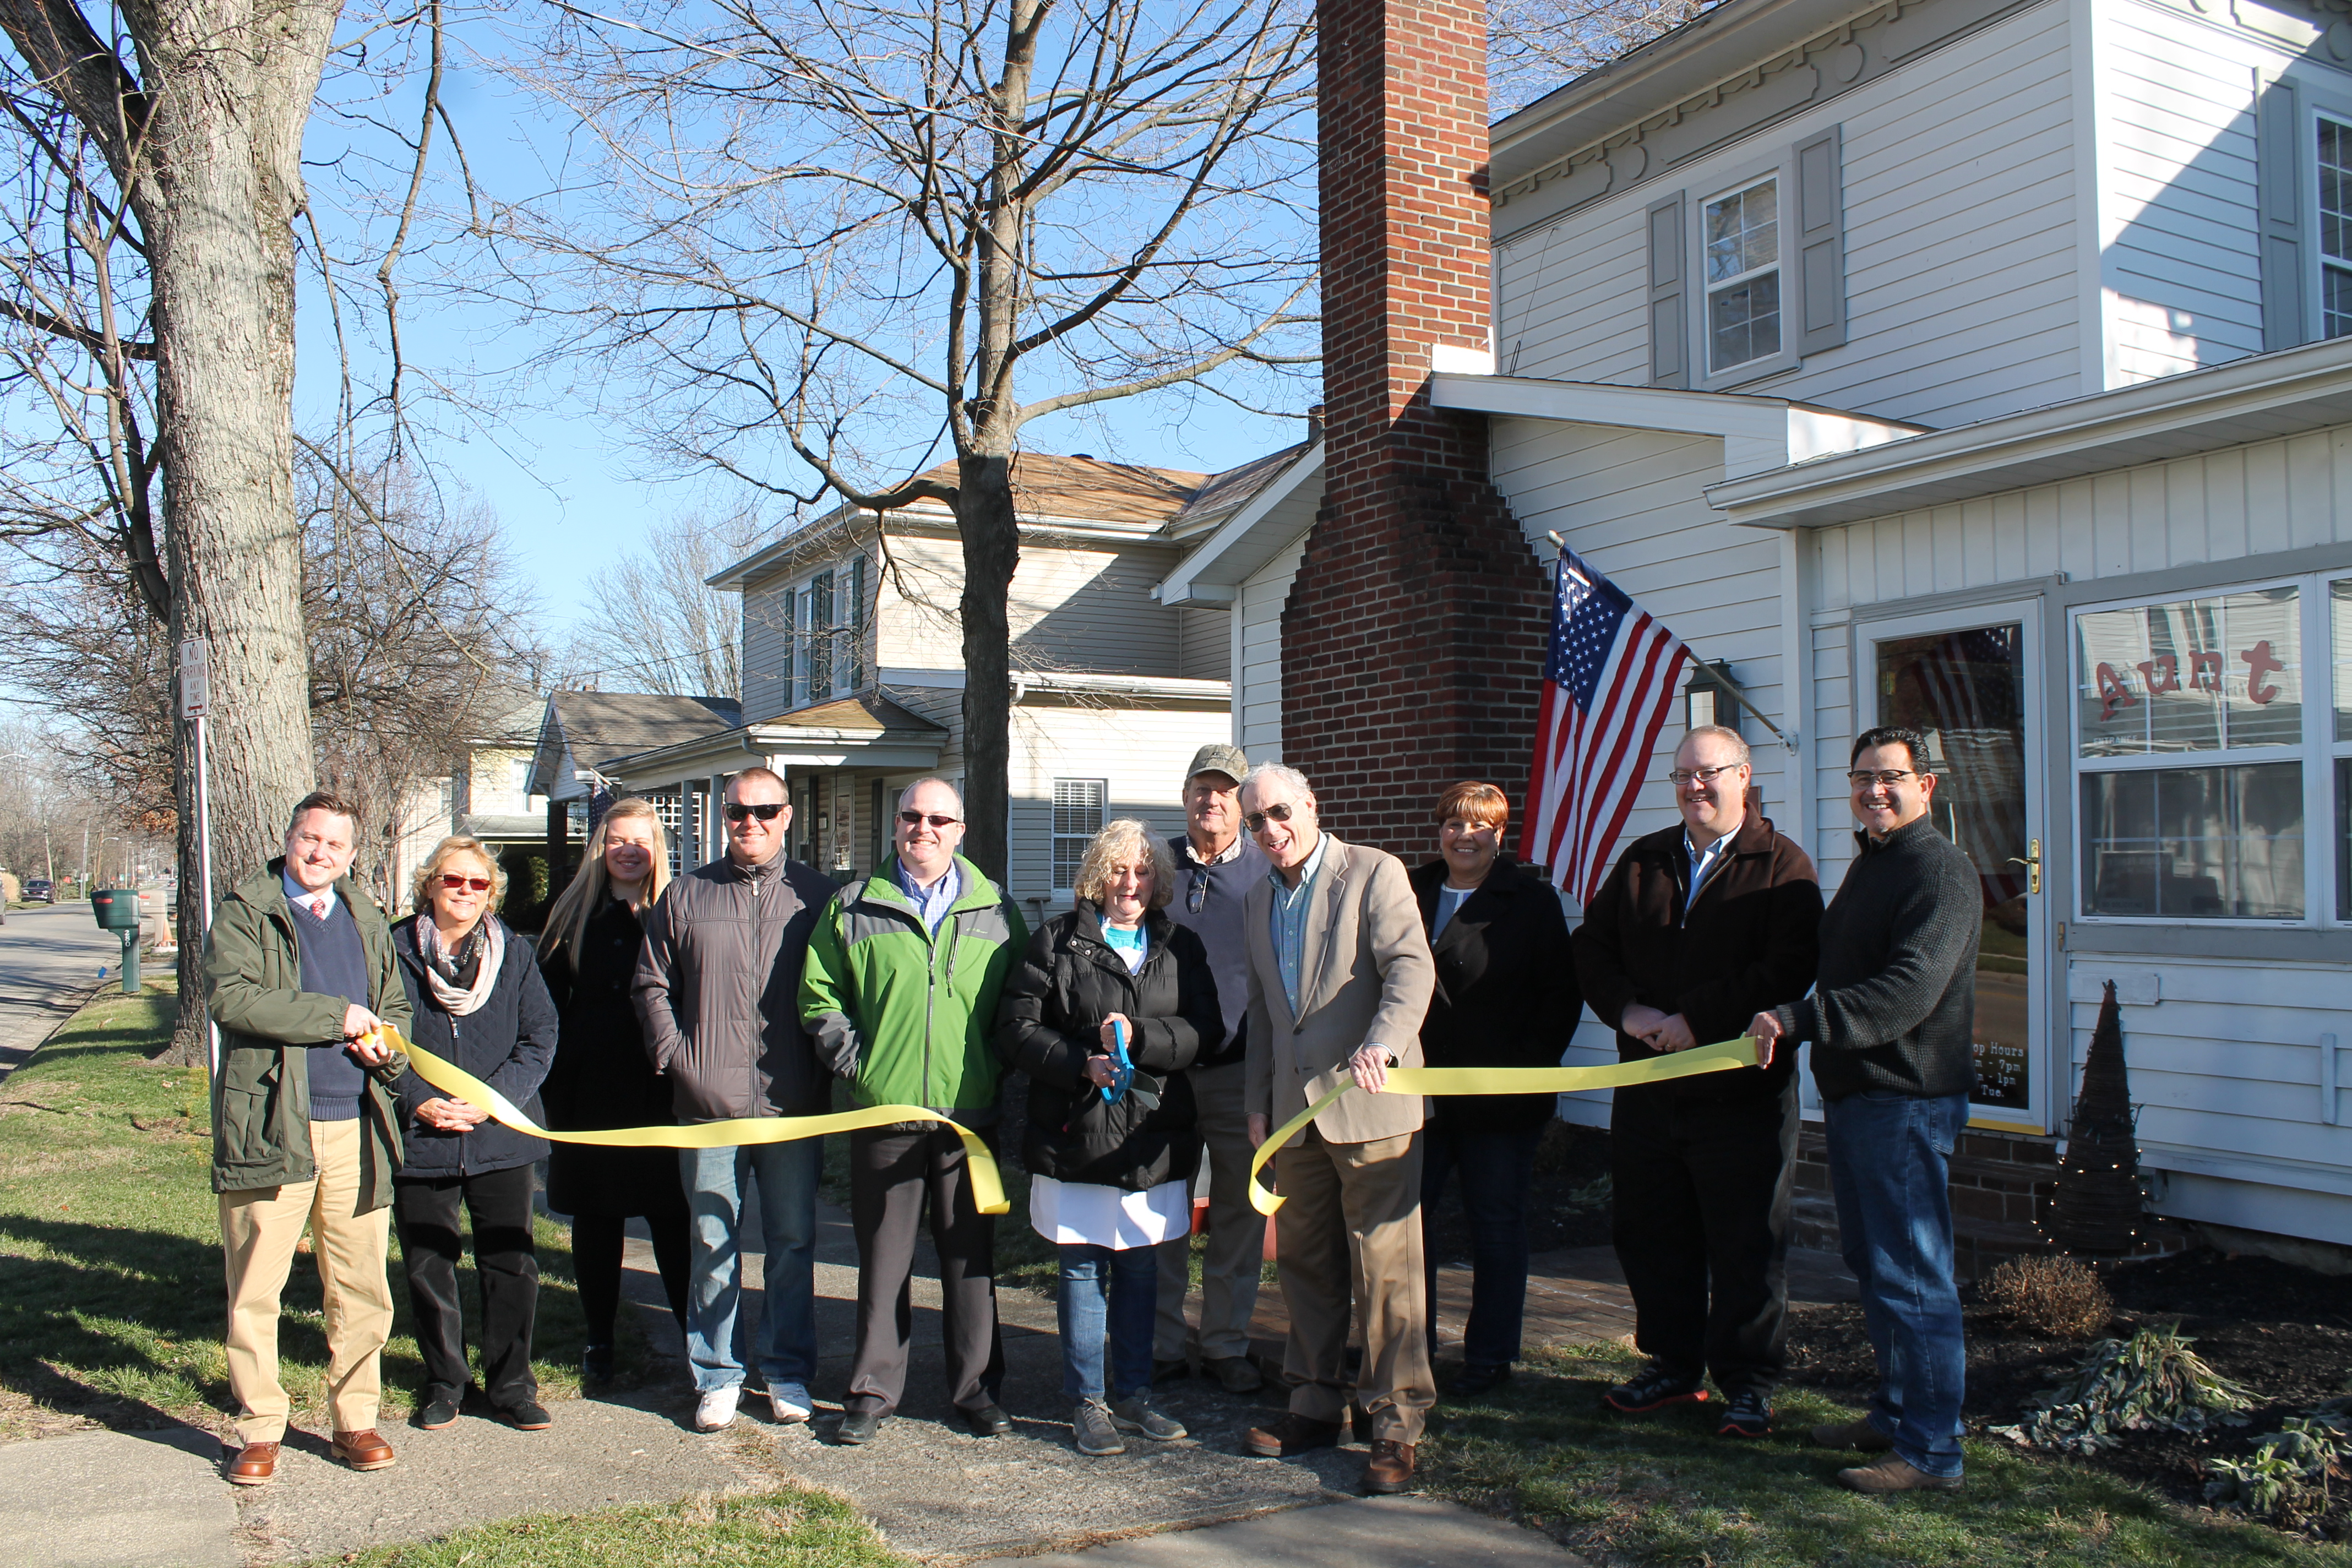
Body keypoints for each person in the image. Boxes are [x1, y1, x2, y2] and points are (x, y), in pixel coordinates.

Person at [1571, 727, 1821, 1439]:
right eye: (1683, 775)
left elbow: (1789, 967)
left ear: (1745, 776)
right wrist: (1631, 1010)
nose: (1694, 787)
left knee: (1745, 1244)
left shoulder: (1782, 867)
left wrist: (1698, 1020)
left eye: (1709, 774)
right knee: (1652, 1234)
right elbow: (1592, 946)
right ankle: (1672, 1368)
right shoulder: (1645, 860)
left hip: (1740, 1100)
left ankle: (1747, 1385)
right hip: (1650, 1092)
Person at [1750, 725, 1980, 1494]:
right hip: (1859, 1099)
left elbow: (1907, 994)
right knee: (1877, 1268)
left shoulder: (1940, 873)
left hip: (1906, 1101)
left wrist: (1800, 1018)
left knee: (1913, 1277)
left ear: (1927, 786)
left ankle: (1930, 1453)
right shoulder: (1874, 866)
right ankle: (1894, 1413)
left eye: (1890, 777)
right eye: (1861, 777)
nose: (1873, 790)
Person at [802, 777, 1028, 1445]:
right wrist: (858, 1065)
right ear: (896, 824)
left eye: (938, 818)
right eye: (911, 816)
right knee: (884, 1259)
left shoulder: (997, 910)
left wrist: (994, 1065)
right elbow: (819, 995)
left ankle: (978, 1390)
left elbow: (1021, 1005)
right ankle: (872, 1390)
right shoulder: (852, 906)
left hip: (969, 1119)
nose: (922, 828)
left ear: (960, 830)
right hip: (884, 1116)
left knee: (970, 1260)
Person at [1236, 763, 1437, 1496]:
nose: (1270, 830)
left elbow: (1412, 970)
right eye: (1255, 821)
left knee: (1386, 1272)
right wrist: (1259, 1100)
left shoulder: (1374, 873)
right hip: (1296, 1116)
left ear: (1312, 807)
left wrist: (1383, 1043)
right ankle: (1315, 1405)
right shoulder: (1258, 898)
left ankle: (1394, 1426)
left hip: (1372, 1105)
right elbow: (1263, 1010)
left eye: (1280, 813)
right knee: (1307, 1266)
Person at [204, 791, 411, 1485]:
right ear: (290, 837)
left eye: (334, 844)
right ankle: (260, 1427)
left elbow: (392, 1009)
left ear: (352, 855)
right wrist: (335, 1017)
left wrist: (389, 1049)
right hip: (272, 1124)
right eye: (309, 838)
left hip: (356, 1125)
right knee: (256, 1286)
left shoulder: (365, 915)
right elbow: (233, 999)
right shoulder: (246, 909)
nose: (319, 852)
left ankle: (354, 1419)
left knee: (360, 1288)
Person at [997, 819, 1221, 1455]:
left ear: (1158, 881)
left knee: (1142, 1267)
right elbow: (1016, 1029)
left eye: (1143, 871)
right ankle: (1087, 1400)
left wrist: (1144, 1037)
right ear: (1098, 876)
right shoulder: (1057, 942)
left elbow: (1205, 1030)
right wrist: (1079, 1064)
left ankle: (1134, 1394)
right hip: (1079, 1132)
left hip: (1151, 1135)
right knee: (1082, 1267)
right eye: (1119, 870)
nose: (1131, 882)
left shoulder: (1182, 947)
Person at [635, 766, 838, 1434]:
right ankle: (718, 1373)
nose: (749, 822)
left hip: (792, 1105)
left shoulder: (819, 897)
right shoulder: (687, 895)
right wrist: (677, 1059)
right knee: (711, 1240)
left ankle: (785, 1371)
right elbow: (651, 985)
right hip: (707, 1105)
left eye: (763, 811)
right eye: (737, 813)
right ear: (723, 819)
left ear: (786, 817)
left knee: (792, 1242)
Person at [1408, 781, 1579, 1397]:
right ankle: (1410, 1350)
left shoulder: (1530, 901)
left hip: (1501, 1099)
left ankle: (1490, 1355)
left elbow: (1559, 997)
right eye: (1453, 823)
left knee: (1496, 1226)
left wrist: (1522, 1068)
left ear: (1499, 834)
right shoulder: (1412, 889)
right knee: (1409, 1223)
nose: (1464, 835)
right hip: (1418, 1094)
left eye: (1479, 825)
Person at [388, 835, 560, 1433]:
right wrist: (421, 1101)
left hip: (501, 1136)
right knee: (428, 1263)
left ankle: (512, 1383)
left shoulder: (513, 953)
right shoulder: (393, 951)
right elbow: (381, 1041)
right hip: (423, 1136)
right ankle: (445, 1380)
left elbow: (540, 1037)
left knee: (511, 1262)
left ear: (492, 892)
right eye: (452, 880)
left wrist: (489, 1103)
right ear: (429, 885)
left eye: (477, 883)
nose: (464, 891)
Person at [538, 797, 691, 1384]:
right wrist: (554, 1092)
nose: (629, 849)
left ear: (658, 849)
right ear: (600, 848)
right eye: (616, 839)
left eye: (642, 839)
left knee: (672, 1221)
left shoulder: (677, 911)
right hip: (589, 1095)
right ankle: (598, 1341)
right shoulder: (571, 914)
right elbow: (546, 1011)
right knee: (597, 1223)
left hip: (662, 1094)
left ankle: (692, 1342)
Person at [1153, 743, 1270, 1393]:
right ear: (1187, 795)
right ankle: (1163, 1343)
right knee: (1163, 1212)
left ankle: (1226, 1344)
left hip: (1238, 1072)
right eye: (1203, 788)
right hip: (1163, 1074)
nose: (1213, 800)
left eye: (1226, 790)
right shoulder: (1152, 867)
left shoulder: (1266, 870)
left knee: (1237, 1214)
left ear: (1243, 802)